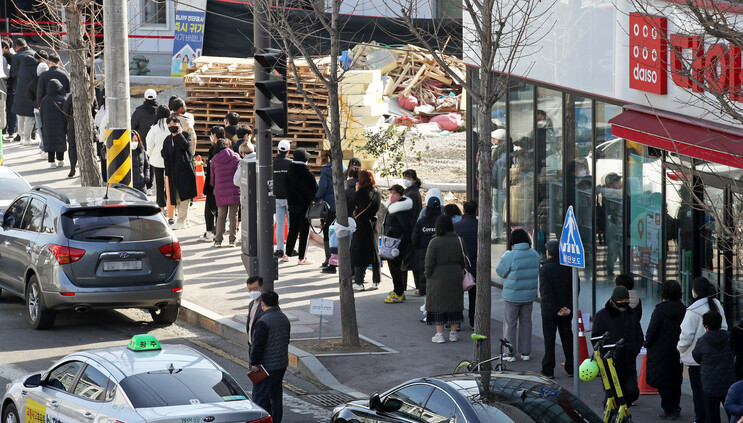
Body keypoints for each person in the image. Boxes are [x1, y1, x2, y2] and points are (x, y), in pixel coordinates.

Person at [679, 277, 729, 423]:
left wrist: (680, 350)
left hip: (697, 359)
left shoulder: (692, 310)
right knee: (718, 393)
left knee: (699, 394)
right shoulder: (717, 304)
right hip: (718, 356)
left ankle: (701, 419)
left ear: (694, 292)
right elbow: (724, 327)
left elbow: (686, 336)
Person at [593, 286, 644, 407]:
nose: (624, 304)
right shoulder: (602, 315)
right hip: (610, 362)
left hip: (628, 360)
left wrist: (634, 350)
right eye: (621, 301)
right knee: (613, 394)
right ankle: (612, 414)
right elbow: (596, 338)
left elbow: (639, 334)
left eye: (626, 301)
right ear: (613, 300)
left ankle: (622, 414)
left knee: (631, 392)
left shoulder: (631, 314)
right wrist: (605, 354)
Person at [496, 228, 540, 362]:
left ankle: (509, 353)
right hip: (529, 295)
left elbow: (500, 272)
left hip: (512, 296)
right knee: (526, 323)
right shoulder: (535, 254)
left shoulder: (511, 255)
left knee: (510, 324)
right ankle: (525, 353)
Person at [645, 280, 686, 420]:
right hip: (677, 351)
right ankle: (675, 408)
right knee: (675, 380)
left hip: (660, 352)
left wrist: (647, 343)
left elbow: (652, 331)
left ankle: (668, 408)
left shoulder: (660, 310)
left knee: (662, 382)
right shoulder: (684, 310)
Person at [250, 290, 291, 423]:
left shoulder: (263, 321)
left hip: (266, 366)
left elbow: (258, 346)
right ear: (277, 302)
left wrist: (254, 363)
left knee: (260, 396)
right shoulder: (284, 318)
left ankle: (261, 420)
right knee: (276, 395)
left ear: (262, 304)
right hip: (281, 364)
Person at [425, 215, 467, 343]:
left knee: (438, 306)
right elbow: (464, 259)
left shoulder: (435, 242)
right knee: (454, 305)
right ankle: (453, 333)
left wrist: (428, 274)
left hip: (437, 277)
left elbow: (429, 262)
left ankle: (440, 334)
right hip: (455, 275)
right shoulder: (459, 240)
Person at [538, 239, 574, 378]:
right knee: (567, 338)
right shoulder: (569, 267)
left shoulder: (544, 269)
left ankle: (548, 369)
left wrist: (556, 309)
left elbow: (546, 292)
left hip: (549, 312)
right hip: (566, 311)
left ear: (548, 253)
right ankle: (571, 367)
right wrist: (568, 307)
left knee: (549, 340)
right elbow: (574, 289)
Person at [693, 311, 736, 423]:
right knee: (732, 413)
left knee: (712, 415)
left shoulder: (702, 341)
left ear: (706, 327)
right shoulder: (729, 337)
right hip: (728, 382)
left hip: (709, 384)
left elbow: (696, 357)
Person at [161, 116, 197, 229]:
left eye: (175, 123)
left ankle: (181, 220)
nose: (172, 125)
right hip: (172, 173)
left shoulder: (186, 135)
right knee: (176, 198)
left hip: (185, 172)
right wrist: (167, 173)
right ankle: (185, 221)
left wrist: (179, 135)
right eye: (170, 124)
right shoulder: (167, 139)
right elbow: (164, 155)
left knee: (185, 197)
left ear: (179, 124)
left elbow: (187, 148)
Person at [284, 148, 318, 264]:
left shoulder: (289, 171)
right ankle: (302, 257)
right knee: (304, 232)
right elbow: (314, 190)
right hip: (305, 207)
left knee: (292, 230)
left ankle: (287, 254)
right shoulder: (308, 173)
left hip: (292, 205)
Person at [382, 184, 414, 303]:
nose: (392, 195)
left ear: (401, 195)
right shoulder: (393, 206)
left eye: (395, 193)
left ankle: (399, 292)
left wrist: (400, 243)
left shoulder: (401, 210)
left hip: (397, 245)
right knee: (393, 266)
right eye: (391, 192)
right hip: (391, 242)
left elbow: (407, 228)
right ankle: (398, 289)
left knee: (395, 267)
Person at [350, 169, 381, 291]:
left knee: (359, 252)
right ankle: (376, 281)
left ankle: (359, 282)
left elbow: (351, 204)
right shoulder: (377, 192)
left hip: (361, 224)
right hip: (373, 223)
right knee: (374, 251)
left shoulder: (360, 193)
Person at [210, 138, 241, 247]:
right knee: (233, 216)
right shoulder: (236, 156)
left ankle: (218, 240)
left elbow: (212, 178)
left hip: (220, 190)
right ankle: (232, 240)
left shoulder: (214, 159)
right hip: (234, 189)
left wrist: (214, 187)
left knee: (221, 216)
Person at [411, 196, 442, 297]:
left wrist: (421, 247)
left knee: (425, 276)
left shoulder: (421, 222)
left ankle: (426, 303)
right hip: (440, 254)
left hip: (424, 254)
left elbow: (414, 239)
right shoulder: (443, 221)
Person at [454, 201, 478, 328]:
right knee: (474, 296)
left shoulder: (457, 226)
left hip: (460, 266)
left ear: (463, 210)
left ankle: (456, 322)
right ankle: (474, 321)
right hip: (476, 266)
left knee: (458, 295)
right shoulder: (480, 225)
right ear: (476, 210)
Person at [10, 38, 38, 145]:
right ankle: (28, 137)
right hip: (31, 89)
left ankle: (22, 137)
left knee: (20, 114)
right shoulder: (34, 54)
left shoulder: (16, 57)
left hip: (19, 88)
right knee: (30, 115)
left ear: (17, 46)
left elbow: (13, 73)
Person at [199, 126, 224, 243]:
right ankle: (218, 233)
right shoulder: (228, 149)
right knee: (221, 211)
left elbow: (210, 171)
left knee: (209, 209)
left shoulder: (213, 150)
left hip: (212, 185)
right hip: (224, 185)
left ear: (214, 135)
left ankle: (209, 232)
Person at [146, 105, 171, 212]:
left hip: (157, 159)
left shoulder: (155, 128)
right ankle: (170, 205)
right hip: (171, 160)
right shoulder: (172, 126)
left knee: (159, 184)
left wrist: (150, 154)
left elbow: (149, 143)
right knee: (170, 184)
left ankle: (161, 205)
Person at [316, 152, 337, 273]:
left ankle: (329, 259)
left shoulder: (326, 171)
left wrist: (317, 198)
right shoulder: (344, 169)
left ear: (329, 158)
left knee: (328, 232)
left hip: (329, 206)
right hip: (342, 207)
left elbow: (322, 188)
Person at [40, 79, 67, 168]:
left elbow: (41, 114)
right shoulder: (61, 99)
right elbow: (65, 114)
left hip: (48, 126)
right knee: (59, 142)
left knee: (50, 143)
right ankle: (60, 160)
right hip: (60, 126)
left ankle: (52, 162)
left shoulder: (44, 100)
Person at [273, 139, 292, 258]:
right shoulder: (292, 163)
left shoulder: (272, 163)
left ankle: (280, 249)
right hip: (290, 198)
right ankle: (291, 248)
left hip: (277, 197)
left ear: (277, 150)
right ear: (289, 151)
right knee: (291, 224)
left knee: (279, 224)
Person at [26, 62, 48, 151]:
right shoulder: (49, 80)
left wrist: (35, 101)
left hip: (37, 108)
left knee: (40, 128)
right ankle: (46, 146)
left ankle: (43, 146)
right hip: (49, 108)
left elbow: (28, 96)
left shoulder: (33, 82)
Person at [245, 275, 265, 351]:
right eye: (250, 289)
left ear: (261, 288)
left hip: (260, 347)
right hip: (251, 344)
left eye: (255, 289)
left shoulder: (266, 305)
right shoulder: (251, 304)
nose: (252, 291)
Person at [2, 39, 16, 141]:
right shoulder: (6, 58)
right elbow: (7, 74)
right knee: (10, 109)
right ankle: (11, 130)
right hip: (7, 87)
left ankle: (3, 130)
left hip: (6, 87)